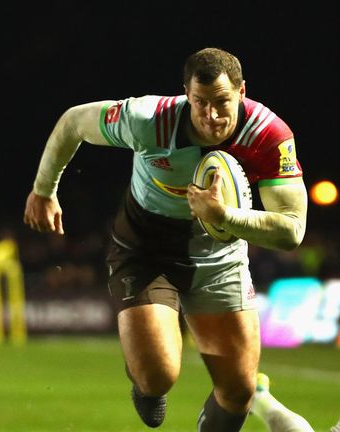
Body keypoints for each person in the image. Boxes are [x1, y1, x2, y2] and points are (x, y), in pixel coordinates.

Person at [23, 47, 307, 430]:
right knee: (158, 375)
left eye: (222, 102)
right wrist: (44, 189)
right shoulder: (148, 119)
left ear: (242, 92)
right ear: (186, 95)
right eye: (199, 102)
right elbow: (74, 121)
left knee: (238, 391)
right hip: (145, 249)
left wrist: (223, 216)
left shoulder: (268, 135)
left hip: (220, 256)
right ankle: (145, 383)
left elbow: (292, 230)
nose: (210, 116)